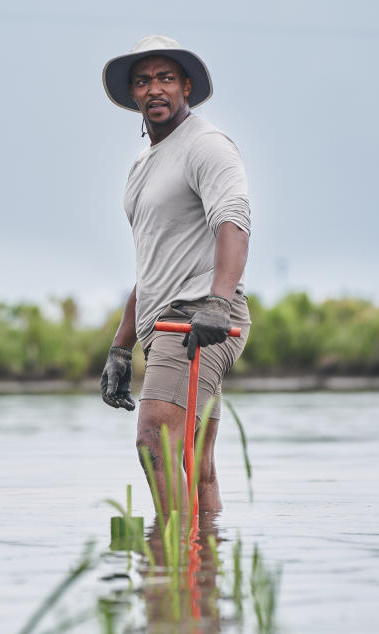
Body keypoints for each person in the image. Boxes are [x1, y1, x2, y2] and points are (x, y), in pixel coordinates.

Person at [99, 35, 252, 514]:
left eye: (166, 77)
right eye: (143, 81)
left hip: (196, 318)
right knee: (195, 461)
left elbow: (234, 219)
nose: (155, 89)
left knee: (154, 442)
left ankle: (167, 568)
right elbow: (152, 267)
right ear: (133, 96)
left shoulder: (205, 145)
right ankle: (203, 575)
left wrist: (218, 301)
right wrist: (121, 347)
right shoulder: (143, 167)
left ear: (186, 86)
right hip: (164, 320)